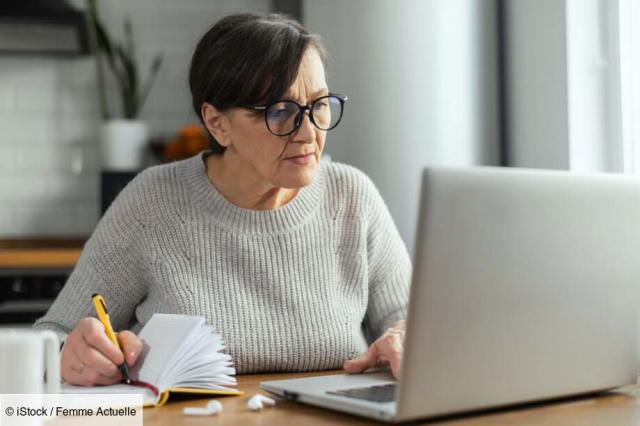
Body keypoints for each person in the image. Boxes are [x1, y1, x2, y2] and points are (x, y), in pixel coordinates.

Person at [33, 13, 411, 386]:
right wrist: (72, 353)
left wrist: (405, 335)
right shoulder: (152, 204)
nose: (309, 133)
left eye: (319, 104)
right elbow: (51, 337)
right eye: (281, 112)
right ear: (217, 123)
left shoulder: (352, 197)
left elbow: (415, 320)